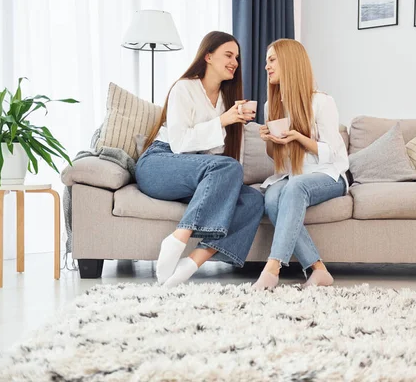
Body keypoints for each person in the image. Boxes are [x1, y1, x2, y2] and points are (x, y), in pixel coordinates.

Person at [136, 31, 264, 288]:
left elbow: (219, 161)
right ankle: (177, 239)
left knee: (253, 199)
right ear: (208, 56)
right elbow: (180, 143)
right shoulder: (184, 88)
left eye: (237, 57)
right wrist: (224, 121)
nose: (234, 62)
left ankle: (192, 262)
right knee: (228, 166)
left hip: (196, 175)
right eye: (228, 55)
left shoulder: (227, 101)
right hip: (160, 164)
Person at [253, 39, 349, 290]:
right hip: (291, 175)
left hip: (329, 174)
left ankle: (271, 269)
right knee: (272, 198)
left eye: (272, 60)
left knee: (295, 188)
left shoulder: (321, 102)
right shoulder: (270, 106)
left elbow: (333, 153)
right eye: (267, 61)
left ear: (290, 62)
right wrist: (269, 141)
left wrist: (300, 138)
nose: (266, 67)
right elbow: (278, 159)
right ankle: (318, 270)